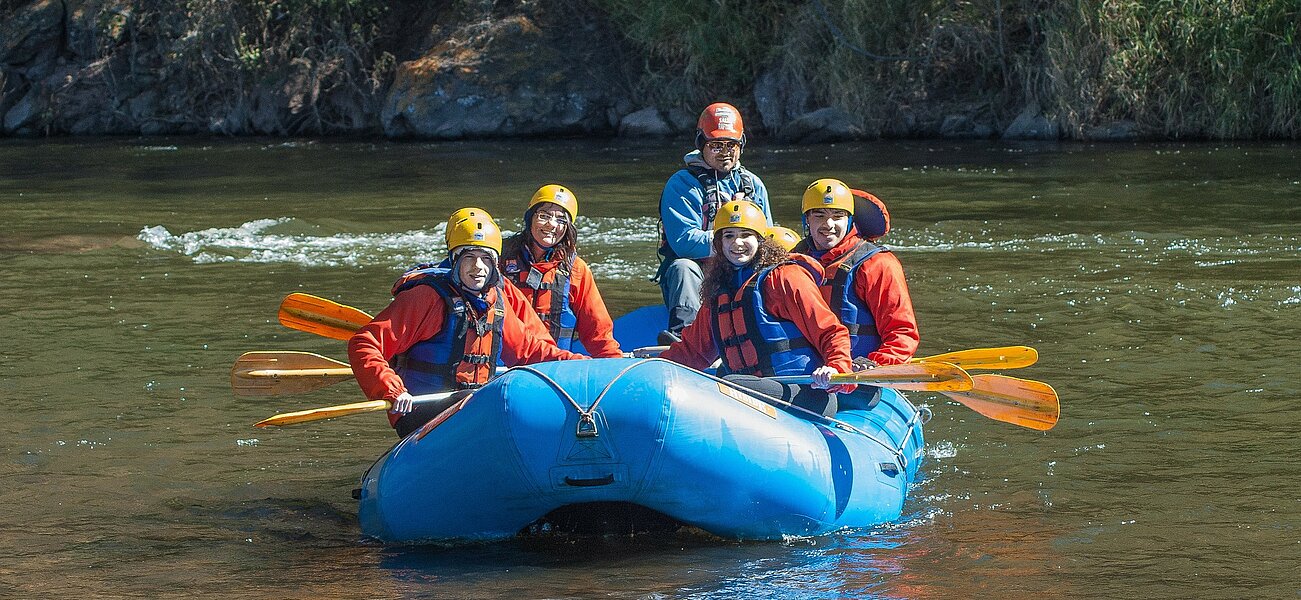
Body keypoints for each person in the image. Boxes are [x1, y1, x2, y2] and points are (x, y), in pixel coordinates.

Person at [348, 207, 588, 437]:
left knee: (500, 404)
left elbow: (530, 351)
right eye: (469, 257)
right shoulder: (426, 298)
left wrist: (583, 365)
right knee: (481, 404)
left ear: (495, 264)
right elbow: (364, 343)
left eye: (486, 258)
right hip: (421, 412)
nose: (478, 268)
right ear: (454, 260)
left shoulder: (496, 300)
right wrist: (390, 389)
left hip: (471, 406)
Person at [658, 200, 856, 417]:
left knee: (727, 383)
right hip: (751, 392)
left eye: (746, 235)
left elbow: (831, 331)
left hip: (805, 394)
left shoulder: (784, 278)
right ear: (719, 243)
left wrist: (836, 367)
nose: (737, 243)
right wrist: (653, 370)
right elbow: (692, 352)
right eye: (729, 236)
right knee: (723, 377)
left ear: (761, 241)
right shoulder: (719, 290)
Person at [654, 102, 772, 345]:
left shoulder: (753, 185)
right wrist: (730, 240)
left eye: (731, 145)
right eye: (716, 145)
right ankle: (684, 337)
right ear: (701, 144)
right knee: (682, 267)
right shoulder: (682, 184)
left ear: (741, 146)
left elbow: (768, 238)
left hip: (744, 269)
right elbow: (685, 243)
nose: (725, 152)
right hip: (699, 273)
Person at [793, 178, 919, 367]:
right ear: (806, 221)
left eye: (838, 216)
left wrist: (875, 365)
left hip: (860, 372)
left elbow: (902, 332)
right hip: (808, 373)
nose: (829, 224)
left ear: (850, 220)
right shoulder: (793, 262)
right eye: (819, 215)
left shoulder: (877, 264)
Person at [500, 184, 622, 358]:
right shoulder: (498, 259)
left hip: (553, 366)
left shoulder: (576, 270)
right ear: (530, 218)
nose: (551, 224)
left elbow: (598, 331)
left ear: (567, 228)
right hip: (502, 366)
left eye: (561, 219)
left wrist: (614, 364)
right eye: (544, 216)